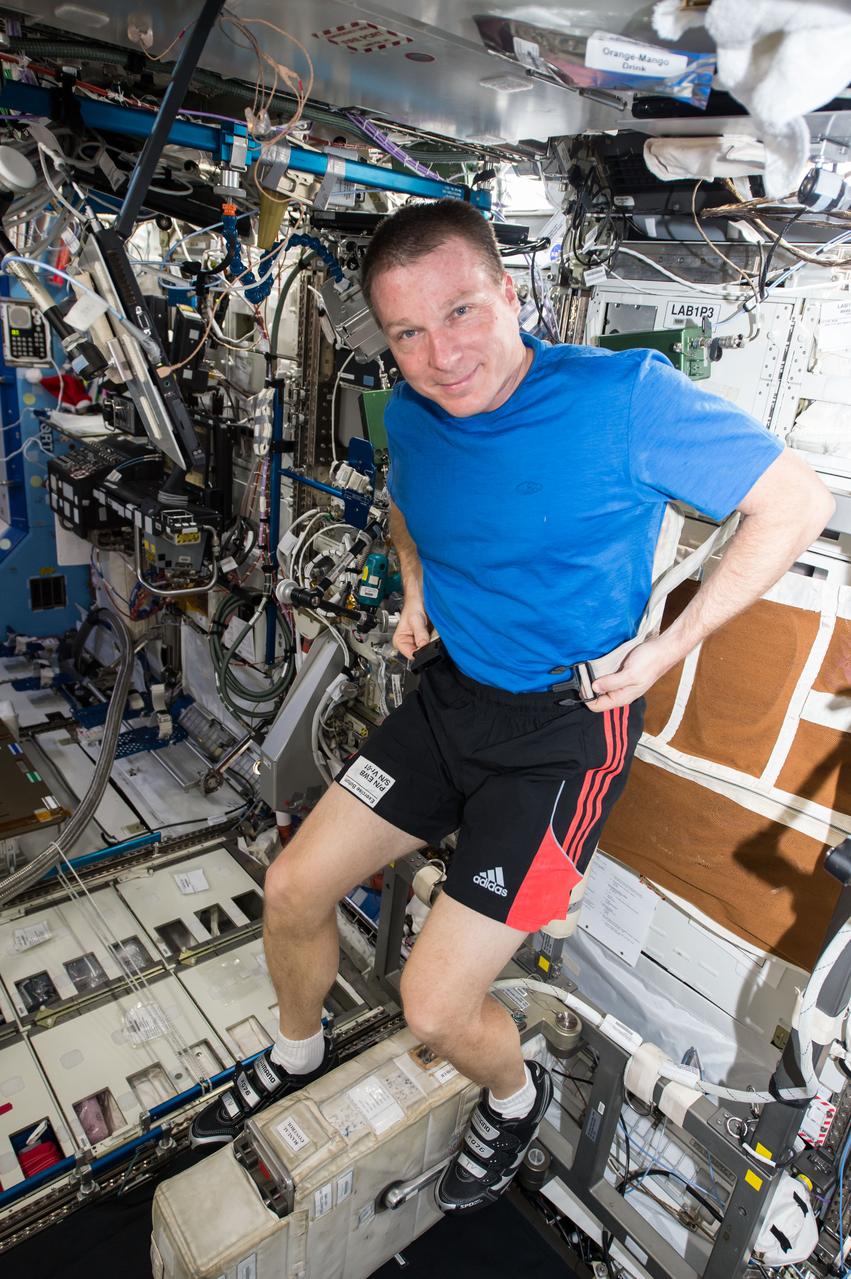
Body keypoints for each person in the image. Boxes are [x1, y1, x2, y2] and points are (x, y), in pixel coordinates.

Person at [191, 199, 834, 1214]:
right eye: (407, 332)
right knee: (290, 891)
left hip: (562, 741)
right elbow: (409, 497)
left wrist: (669, 643)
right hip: (450, 703)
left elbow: (795, 502)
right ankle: (295, 1049)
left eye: (458, 313)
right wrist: (412, 590)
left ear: (508, 292)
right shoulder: (409, 410)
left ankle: (513, 1091)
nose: (439, 356)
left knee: (434, 1006)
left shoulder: (623, 398)